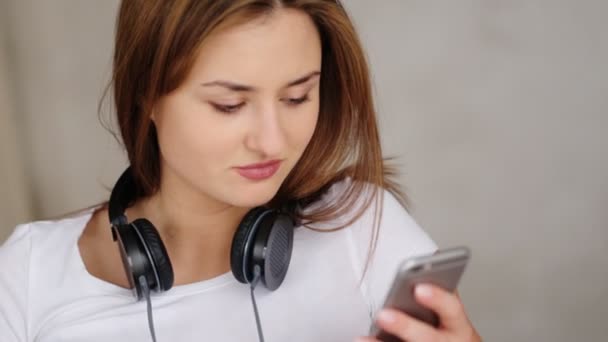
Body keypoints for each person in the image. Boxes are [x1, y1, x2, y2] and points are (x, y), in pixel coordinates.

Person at [0, 1, 481, 341]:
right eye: (229, 105)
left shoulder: (365, 225)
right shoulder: (30, 274)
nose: (273, 142)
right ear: (147, 96)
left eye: (297, 97)